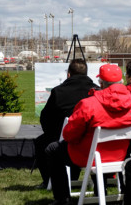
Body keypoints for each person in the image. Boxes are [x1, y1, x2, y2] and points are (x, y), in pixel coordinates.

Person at [45, 64, 131, 205]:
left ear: (101, 83)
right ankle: (113, 191)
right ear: (121, 81)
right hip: (122, 155)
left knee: (53, 149)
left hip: (89, 156)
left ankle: (62, 199)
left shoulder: (88, 104)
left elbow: (69, 134)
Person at [33, 59, 98, 188]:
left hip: (65, 138)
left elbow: (45, 118)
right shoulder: (97, 91)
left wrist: (53, 133)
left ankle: (49, 180)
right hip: (93, 140)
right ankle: (73, 178)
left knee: (42, 142)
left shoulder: (58, 92)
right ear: (86, 74)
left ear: (69, 74)